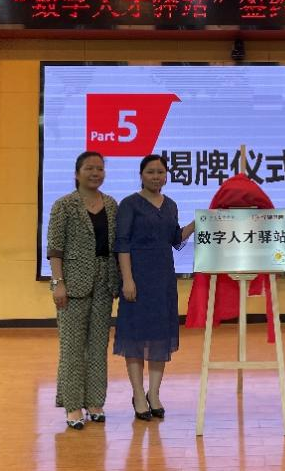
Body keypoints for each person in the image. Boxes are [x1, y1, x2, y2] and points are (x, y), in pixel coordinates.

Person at [113, 154, 195, 420]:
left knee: (160, 336)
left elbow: (175, 239)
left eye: (160, 172)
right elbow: (122, 244)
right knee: (135, 338)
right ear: (141, 175)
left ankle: (155, 393)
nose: (156, 176)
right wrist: (127, 279)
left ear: (166, 175)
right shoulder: (129, 204)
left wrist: (198, 223)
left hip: (163, 280)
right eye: (150, 172)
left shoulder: (170, 205)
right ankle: (138, 394)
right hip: (137, 278)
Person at [47, 151, 121, 430]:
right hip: (72, 284)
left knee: (98, 346)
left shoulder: (111, 204)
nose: (95, 173)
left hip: (104, 283)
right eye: (89, 168)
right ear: (77, 173)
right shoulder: (64, 205)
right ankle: (73, 405)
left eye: (100, 168)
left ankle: (95, 402)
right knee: (72, 347)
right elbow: (55, 249)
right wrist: (58, 283)